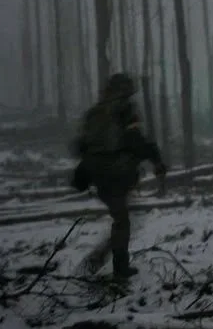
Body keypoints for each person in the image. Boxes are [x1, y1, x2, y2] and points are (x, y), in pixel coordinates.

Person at [70, 73, 167, 281]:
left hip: (98, 175)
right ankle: (118, 267)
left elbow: (80, 146)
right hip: (117, 173)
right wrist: (155, 159)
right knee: (122, 221)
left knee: (121, 218)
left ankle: (102, 259)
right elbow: (135, 140)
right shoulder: (125, 110)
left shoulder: (94, 112)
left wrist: (87, 168)